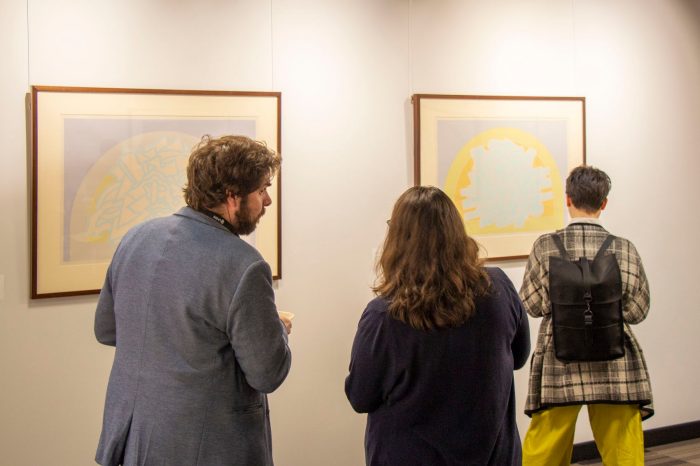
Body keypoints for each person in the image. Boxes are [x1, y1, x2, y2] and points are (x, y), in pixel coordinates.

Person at [94, 135, 292, 466]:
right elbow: (268, 373)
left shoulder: (136, 238)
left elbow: (107, 330)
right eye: (262, 190)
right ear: (232, 197)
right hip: (206, 448)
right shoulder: (245, 265)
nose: (268, 200)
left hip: (132, 440)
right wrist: (279, 330)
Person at [345, 186, 531, 466]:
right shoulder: (498, 288)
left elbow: (360, 396)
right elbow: (519, 356)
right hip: (494, 456)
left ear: (398, 240)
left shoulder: (384, 315)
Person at [520, 165, 653, 465]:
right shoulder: (623, 248)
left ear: (567, 199)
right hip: (615, 364)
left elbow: (532, 305)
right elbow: (637, 311)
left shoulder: (545, 246)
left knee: (544, 451)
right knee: (625, 453)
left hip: (559, 362)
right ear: (604, 203)